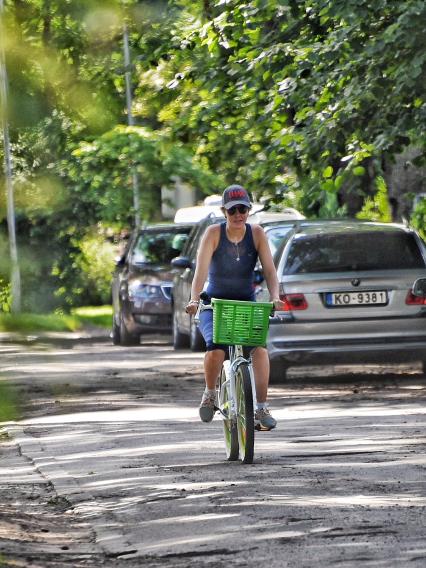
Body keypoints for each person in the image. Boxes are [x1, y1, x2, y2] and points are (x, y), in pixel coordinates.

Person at [185, 184, 284, 430]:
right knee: (216, 349)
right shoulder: (213, 233)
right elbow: (201, 272)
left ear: (249, 210)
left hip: (245, 304)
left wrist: (275, 297)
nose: (238, 215)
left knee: (259, 350)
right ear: (224, 212)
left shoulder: (257, 233)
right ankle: (209, 393)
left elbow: (270, 271)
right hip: (214, 304)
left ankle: (260, 408)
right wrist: (194, 300)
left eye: (243, 209)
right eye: (233, 211)